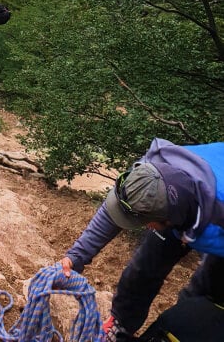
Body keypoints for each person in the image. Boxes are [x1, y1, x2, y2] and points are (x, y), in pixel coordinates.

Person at [58, 138, 224, 341]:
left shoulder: (218, 218)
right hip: (191, 204)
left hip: (215, 220)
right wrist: (76, 257)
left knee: (207, 292)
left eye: (147, 221)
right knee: (144, 268)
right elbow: (113, 212)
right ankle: (121, 324)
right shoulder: (148, 174)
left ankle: (180, 325)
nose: (145, 226)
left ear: (167, 218)